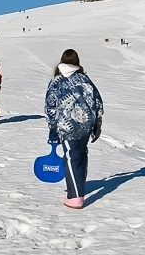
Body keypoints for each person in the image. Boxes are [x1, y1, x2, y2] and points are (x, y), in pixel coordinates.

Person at [45, 49, 104, 209]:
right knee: (81, 153)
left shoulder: (57, 81)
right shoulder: (85, 79)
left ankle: (75, 196)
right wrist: (97, 124)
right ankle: (79, 187)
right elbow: (97, 101)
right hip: (86, 124)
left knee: (71, 156)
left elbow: (51, 106)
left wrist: (52, 128)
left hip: (67, 125)